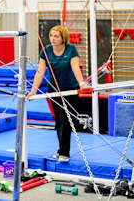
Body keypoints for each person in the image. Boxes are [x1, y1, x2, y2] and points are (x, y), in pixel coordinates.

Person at [27, 25, 89, 162]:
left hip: (70, 90)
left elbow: (75, 67)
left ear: (63, 38)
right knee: (59, 122)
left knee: (66, 120)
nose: (53, 39)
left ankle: (64, 153)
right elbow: (40, 72)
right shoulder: (46, 51)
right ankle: (61, 150)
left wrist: (82, 83)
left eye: (56, 36)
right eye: (51, 36)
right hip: (53, 91)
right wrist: (33, 91)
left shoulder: (71, 49)